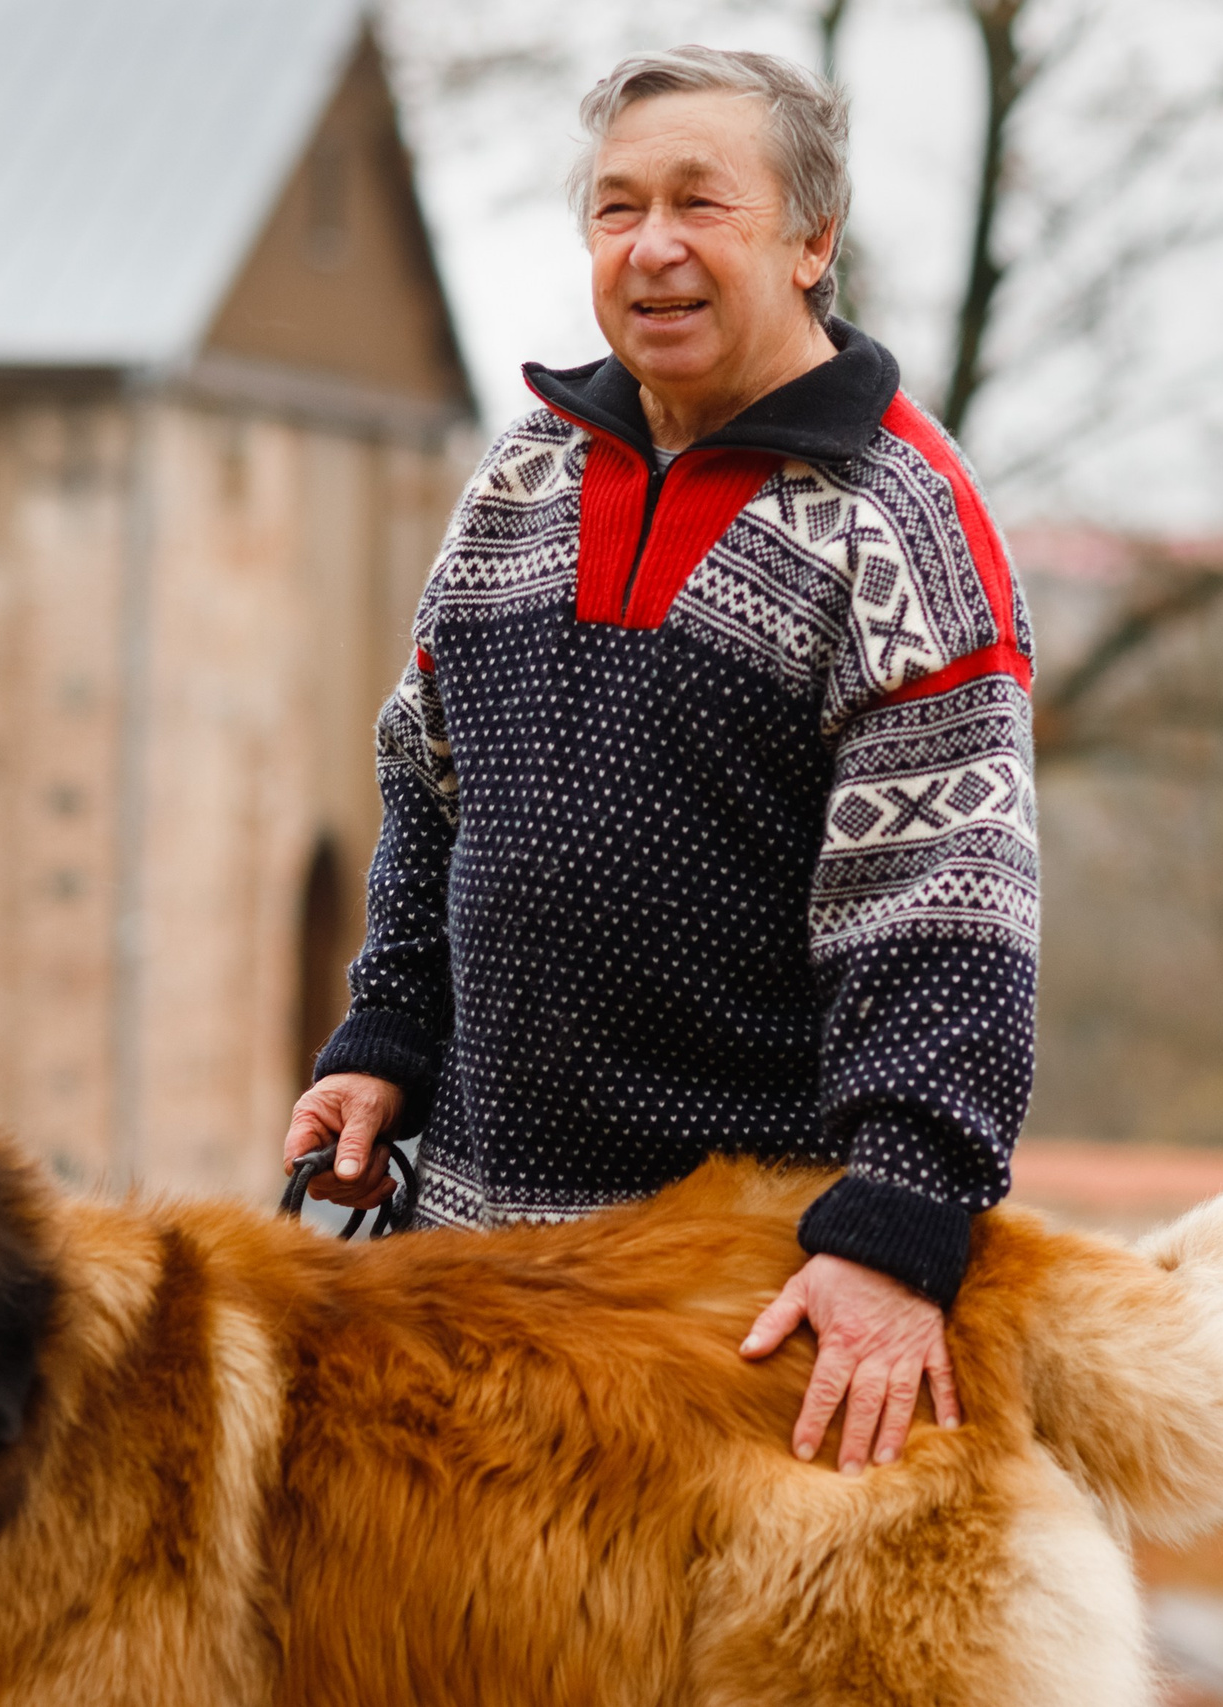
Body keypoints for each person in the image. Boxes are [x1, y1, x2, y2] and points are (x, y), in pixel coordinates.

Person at [282, 45, 1038, 1475]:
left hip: (729, 1294)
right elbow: (427, 791)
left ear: (814, 242)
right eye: (619, 210)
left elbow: (946, 915)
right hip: (471, 1257)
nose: (655, 248)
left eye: (704, 203)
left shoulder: (903, 523)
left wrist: (900, 1226)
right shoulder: (525, 475)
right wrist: (386, 1039)